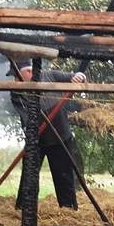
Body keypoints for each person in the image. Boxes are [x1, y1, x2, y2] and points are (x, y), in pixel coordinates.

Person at [10, 61, 87, 209]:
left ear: (28, 72)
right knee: (29, 178)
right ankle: (22, 209)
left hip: (61, 138)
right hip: (35, 140)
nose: (14, 80)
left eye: (16, 76)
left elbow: (76, 77)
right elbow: (27, 118)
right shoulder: (16, 91)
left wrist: (80, 76)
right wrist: (40, 116)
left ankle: (68, 210)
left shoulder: (51, 75)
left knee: (64, 178)